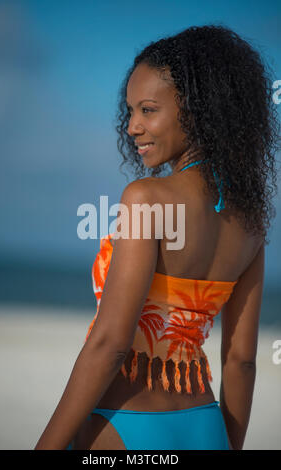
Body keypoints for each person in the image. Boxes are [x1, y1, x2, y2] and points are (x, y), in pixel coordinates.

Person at [34, 24, 280, 450]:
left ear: (199, 110)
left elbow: (110, 343)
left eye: (148, 110)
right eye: (130, 111)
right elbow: (240, 362)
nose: (132, 127)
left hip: (126, 424)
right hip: (206, 428)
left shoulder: (147, 198)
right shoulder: (251, 222)